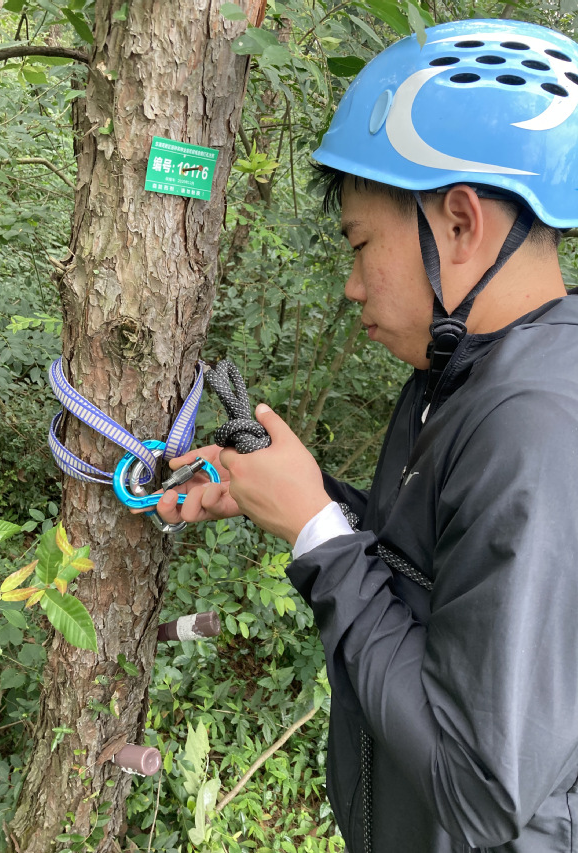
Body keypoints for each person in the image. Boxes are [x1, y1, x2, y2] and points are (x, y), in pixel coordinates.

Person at [152, 18, 578, 853]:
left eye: (359, 244)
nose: (352, 286)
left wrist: (316, 531)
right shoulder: (460, 377)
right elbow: (426, 566)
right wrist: (293, 497)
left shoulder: (535, 429)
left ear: (459, 224)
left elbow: (478, 788)